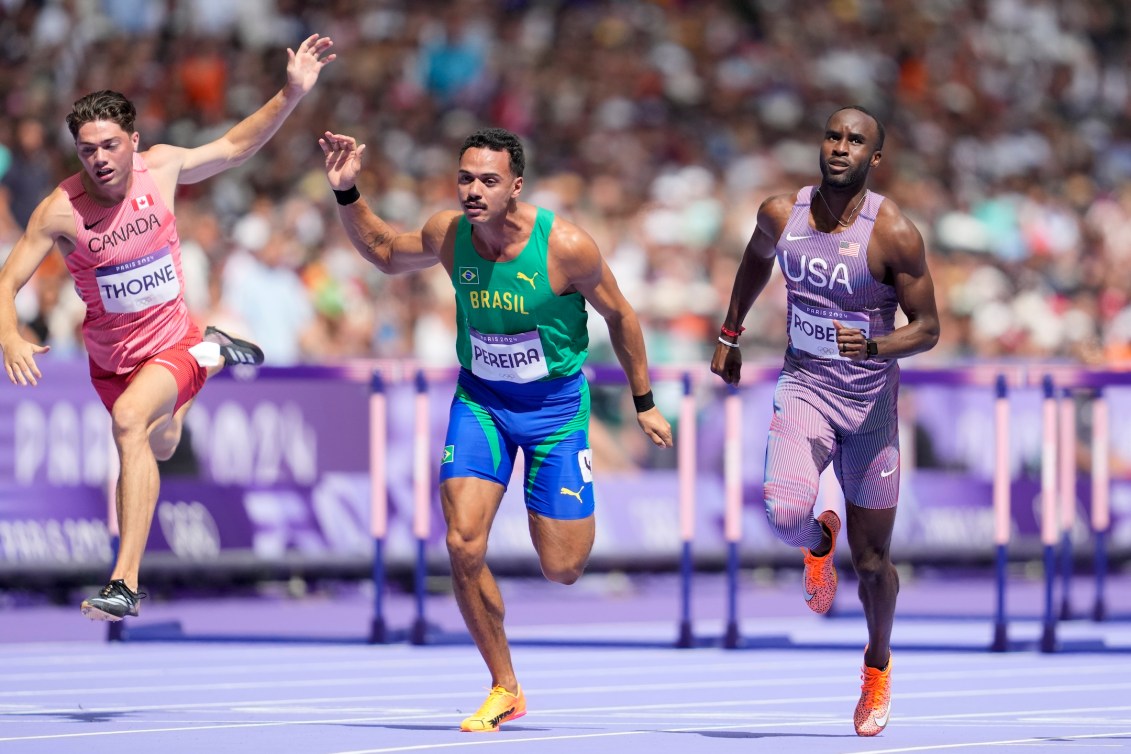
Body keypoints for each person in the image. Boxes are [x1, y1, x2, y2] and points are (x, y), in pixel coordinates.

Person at [319, 126, 673, 732]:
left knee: (562, 568)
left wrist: (643, 400)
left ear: (515, 186)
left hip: (556, 410)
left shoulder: (566, 246)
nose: (474, 191)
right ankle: (504, 685)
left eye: (488, 181)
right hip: (480, 401)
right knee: (462, 543)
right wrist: (349, 193)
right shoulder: (449, 235)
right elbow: (383, 251)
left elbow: (622, 315)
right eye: (465, 179)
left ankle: (557, 492)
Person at [0, 34, 337, 621]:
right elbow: (5, 283)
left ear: (133, 141)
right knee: (162, 441)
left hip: (168, 342)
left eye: (109, 145)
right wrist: (7, 335)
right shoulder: (60, 210)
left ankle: (124, 582)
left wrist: (289, 93)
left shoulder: (163, 167)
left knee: (132, 423)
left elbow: (234, 145)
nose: (99, 159)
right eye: (86, 150)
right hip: (111, 361)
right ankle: (214, 353)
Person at [710, 106, 940, 737]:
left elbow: (928, 328)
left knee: (873, 564)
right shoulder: (781, 214)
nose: (840, 147)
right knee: (784, 515)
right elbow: (756, 260)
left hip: (870, 409)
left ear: (875, 157)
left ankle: (876, 666)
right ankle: (817, 544)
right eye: (833, 136)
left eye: (855, 141)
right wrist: (731, 331)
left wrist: (873, 346)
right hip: (804, 387)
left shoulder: (893, 232)